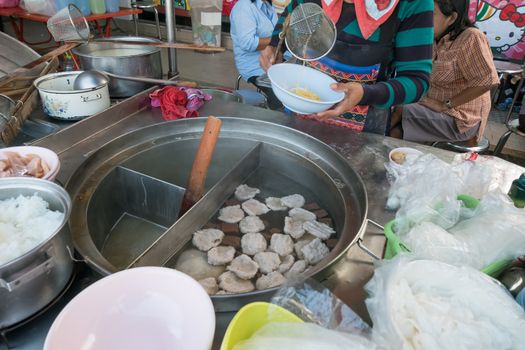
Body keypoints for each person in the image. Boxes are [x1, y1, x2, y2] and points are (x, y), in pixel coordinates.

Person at [260, 0, 434, 134]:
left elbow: (417, 82)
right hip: (299, 110)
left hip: (360, 131)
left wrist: (366, 93)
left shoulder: (413, 4)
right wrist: (276, 44)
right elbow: (294, 12)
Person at [389, 0, 499, 143]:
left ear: (452, 18)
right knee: (393, 120)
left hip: (460, 119)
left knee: (400, 112)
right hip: (430, 108)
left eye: (429, 14)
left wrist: (445, 104)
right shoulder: (433, 39)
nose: (421, 20)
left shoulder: (471, 37)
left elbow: (488, 81)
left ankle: (373, 142)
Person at [230, 0, 283, 109]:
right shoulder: (244, 7)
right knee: (282, 97)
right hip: (255, 66)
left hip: (275, 59)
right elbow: (247, 43)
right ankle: (277, 119)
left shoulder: (268, 6)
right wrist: (279, 39)